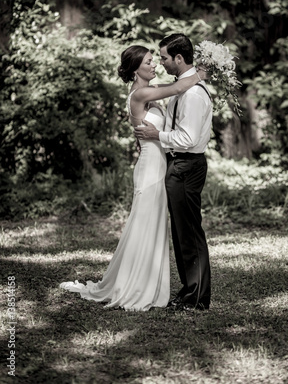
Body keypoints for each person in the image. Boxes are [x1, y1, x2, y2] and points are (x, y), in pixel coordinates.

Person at [60, 44, 206, 311]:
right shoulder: (139, 94)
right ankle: (136, 285)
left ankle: (146, 281)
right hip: (151, 167)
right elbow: (176, 88)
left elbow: (172, 85)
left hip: (160, 164)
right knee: (144, 224)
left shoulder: (148, 90)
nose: (155, 65)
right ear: (136, 67)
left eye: (155, 60)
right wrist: (201, 73)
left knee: (153, 225)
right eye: (149, 62)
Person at [135, 34, 212, 311]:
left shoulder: (191, 94)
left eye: (165, 58)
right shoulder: (184, 88)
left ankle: (198, 298)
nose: (162, 62)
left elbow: (188, 138)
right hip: (178, 165)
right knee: (181, 234)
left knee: (190, 232)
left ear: (179, 59)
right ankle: (189, 290)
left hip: (186, 164)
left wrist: (158, 135)